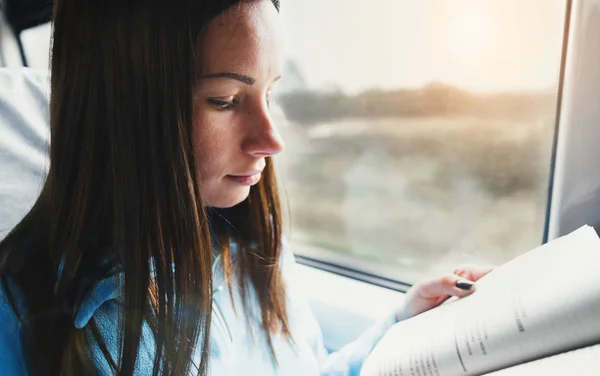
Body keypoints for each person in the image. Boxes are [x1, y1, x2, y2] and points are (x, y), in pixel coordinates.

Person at [0, 0, 492, 375]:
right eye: (225, 100)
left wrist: (405, 324)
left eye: (270, 93)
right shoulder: (62, 324)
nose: (271, 140)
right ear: (125, 110)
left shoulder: (250, 243)